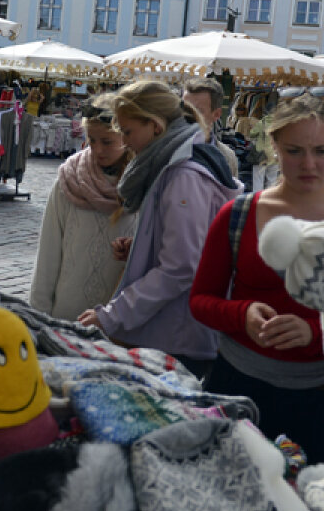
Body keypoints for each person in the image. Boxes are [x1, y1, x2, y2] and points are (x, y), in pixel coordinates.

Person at [190, 91, 324, 463]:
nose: (308, 164)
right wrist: (241, 314)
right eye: (295, 150)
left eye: (321, 151)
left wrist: (316, 333)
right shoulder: (238, 215)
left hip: (316, 399)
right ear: (274, 146)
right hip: (235, 387)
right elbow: (200, 300)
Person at [77, 80, 239, 378]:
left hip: (177, 335)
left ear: (154, 126)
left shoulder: (182, 175)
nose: (124, 142)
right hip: (173, 330)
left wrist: (113, 315)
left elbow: (181, 267)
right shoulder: (172, 164)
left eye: (127, 132)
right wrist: (140, 247)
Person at [29, 94, 135, 321]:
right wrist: (39, 317)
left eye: (107, 142)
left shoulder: (143, 186)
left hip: (118, 324)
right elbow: (48, 252)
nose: (97, 149)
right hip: (65, 316)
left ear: (126, 137)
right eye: (92, 140)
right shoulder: (70, 181)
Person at [182, 77, 239, 179]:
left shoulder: (227, 157)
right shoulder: (167, 149)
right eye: (184, 108)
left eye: (197, 111)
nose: (187, 115)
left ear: (216, 114)